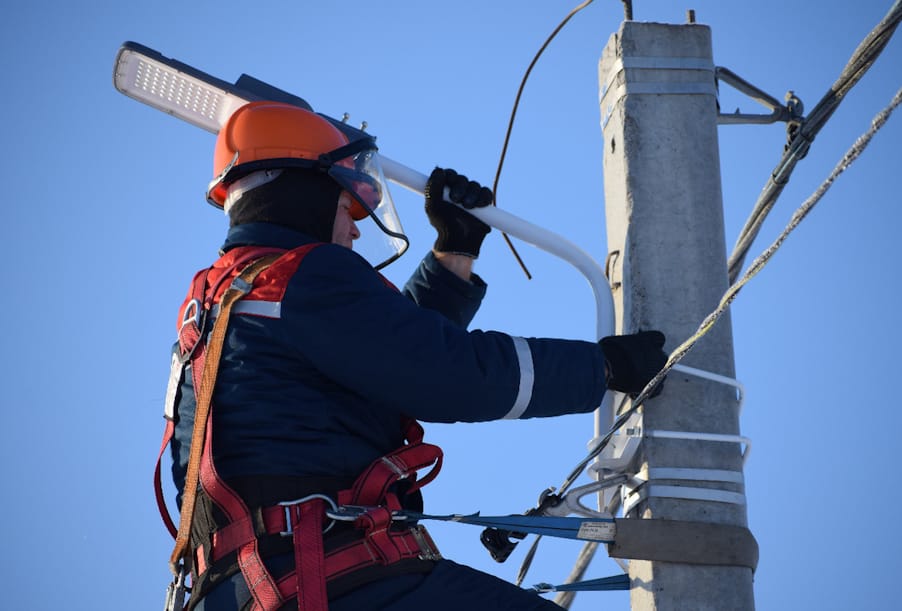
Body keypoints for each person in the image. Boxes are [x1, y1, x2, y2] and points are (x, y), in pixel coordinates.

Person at [161, 100, 667, 611]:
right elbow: (446, 373)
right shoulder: (303, 276)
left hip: (248, 588)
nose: (355, 229)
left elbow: (383, 359)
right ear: (305, 194)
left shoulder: (222, 302)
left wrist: (455, 254)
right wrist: (605, 367)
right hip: (329, 580)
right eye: (346, 208)